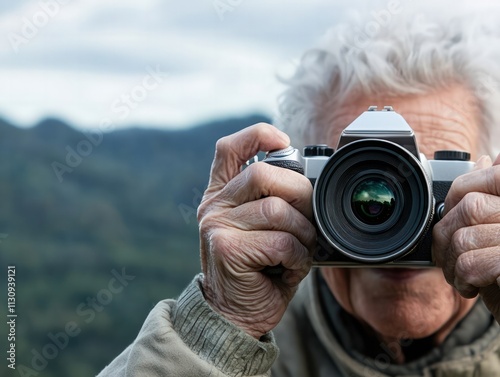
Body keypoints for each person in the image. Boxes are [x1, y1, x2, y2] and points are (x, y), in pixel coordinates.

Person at [98, 5, 500, 377]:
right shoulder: (245, 348)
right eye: (354, 183)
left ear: (487, 183)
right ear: (299, 189)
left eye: (425, 186)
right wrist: (218, 327)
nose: (399, 226)